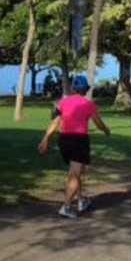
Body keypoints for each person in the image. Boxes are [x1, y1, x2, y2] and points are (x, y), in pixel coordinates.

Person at [38, 74, 111, 219]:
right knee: (75, 174)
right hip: (79, 140)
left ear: (73, 88)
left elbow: (55, 122)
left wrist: (45, 138)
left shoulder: (63, 102)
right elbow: (98, 123)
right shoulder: (88, 104)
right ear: (86, 90)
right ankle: (66, 207)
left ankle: (81, 200)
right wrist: (106, 130)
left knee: (77, 171)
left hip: (64, 140)